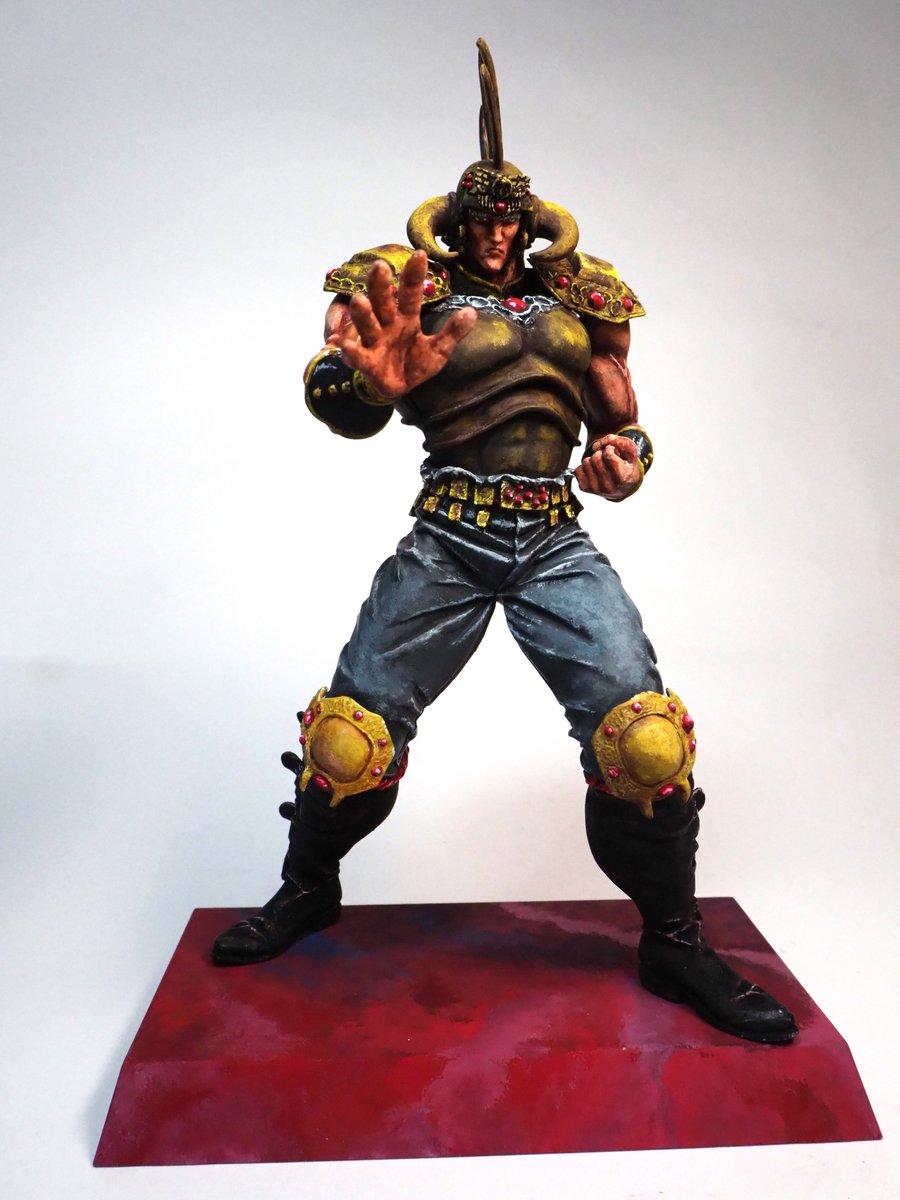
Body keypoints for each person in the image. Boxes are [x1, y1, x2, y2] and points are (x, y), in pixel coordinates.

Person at [212, 41, 797, 1045]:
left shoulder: (578, 298)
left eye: (509, 218)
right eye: (479, 218)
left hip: (553, 539)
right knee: (348, 740)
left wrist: (625, 459)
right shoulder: (413, 290)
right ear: (454, 222)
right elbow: (338, 389)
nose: (494, 232)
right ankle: (307, 888)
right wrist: (368, 385)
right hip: (451, 533)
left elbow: (623, 419)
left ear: (529, 223)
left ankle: (675, 941)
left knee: (647, 741)